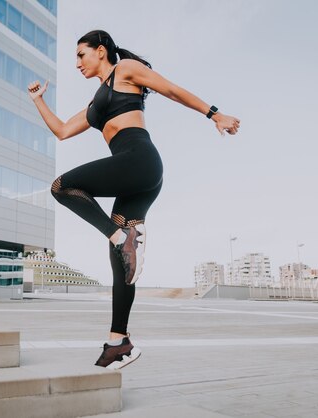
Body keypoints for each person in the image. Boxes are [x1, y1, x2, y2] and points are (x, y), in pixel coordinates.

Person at [28, 30, 240, 369]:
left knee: (62, 186)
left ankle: (122, 238)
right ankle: (119, 343)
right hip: (134, 177)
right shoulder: (96, 103)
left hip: (139, 161)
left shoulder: (124, 69)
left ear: (101, 51)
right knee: (122, 265)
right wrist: (38, 100)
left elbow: (170, 88)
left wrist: (214, 113)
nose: (76, 63)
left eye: (81, 55)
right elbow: (64, 130)